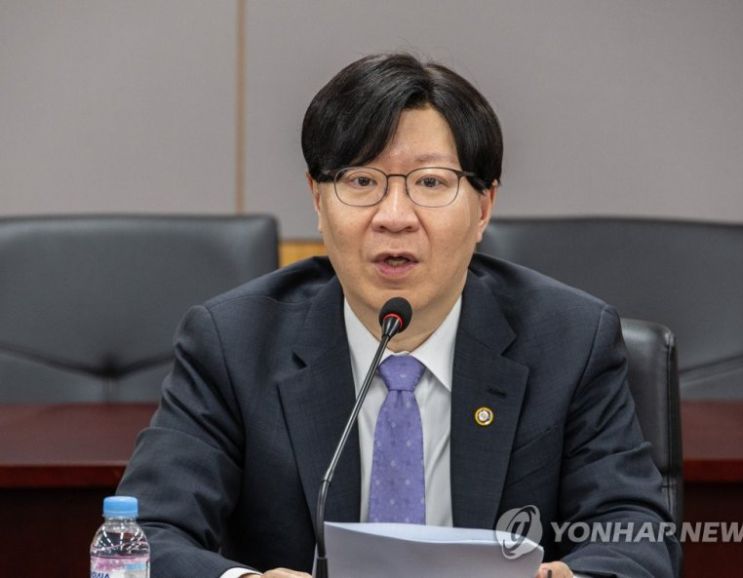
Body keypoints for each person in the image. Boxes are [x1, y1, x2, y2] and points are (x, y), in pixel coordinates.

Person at [118, 53, 681, 578]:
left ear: (483, 207)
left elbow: (636, 533)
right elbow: (140, 537)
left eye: (430, 183)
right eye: (361, 181)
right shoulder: (235, 343)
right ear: (318, 200)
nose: (394, 216)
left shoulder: (569, 339)